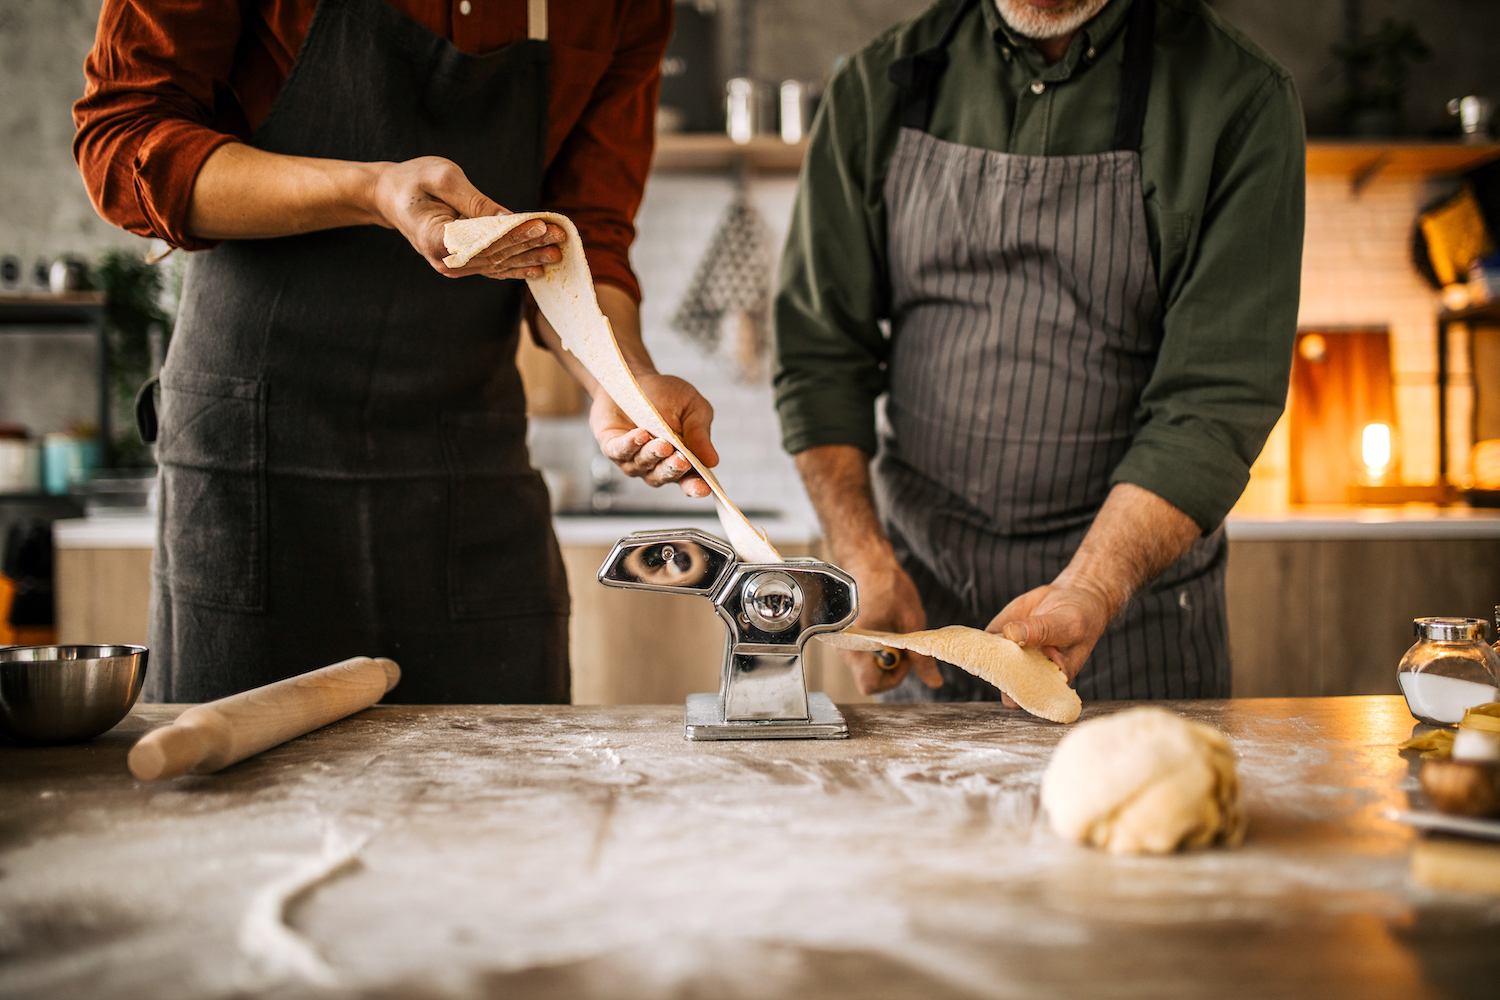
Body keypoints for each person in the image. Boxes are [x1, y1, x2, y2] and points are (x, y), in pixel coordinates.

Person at [73, 0, 712, 703]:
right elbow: (121, 141)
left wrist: (625, 383)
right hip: (253, 465)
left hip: (467, 470)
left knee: (511, 796)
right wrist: (371, 191)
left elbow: (582, 237)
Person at [775, 0, 1304, 701]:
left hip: (1133, 630)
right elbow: (819, 355)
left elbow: (1213, 400)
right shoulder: (879, 85)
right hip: (923, 617)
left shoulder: (1238, 98)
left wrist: (1090, 585)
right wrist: (863, 555)